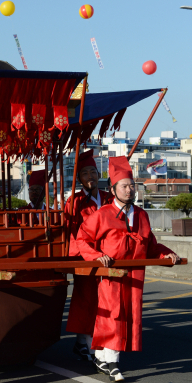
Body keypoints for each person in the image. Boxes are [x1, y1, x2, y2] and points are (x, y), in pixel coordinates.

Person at [76, 156, 180, 382]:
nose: (130, 190)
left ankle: (102, 357)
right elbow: (81, 239)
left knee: (129, 316)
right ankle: (113, 362)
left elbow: (151, 245)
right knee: (113, 314)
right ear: (113, 190)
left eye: (132, 186)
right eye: (125, 186)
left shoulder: (141, 215)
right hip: (111, 274)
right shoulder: (102, 214)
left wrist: (166, 254)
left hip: (135, 275)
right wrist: (96, 256)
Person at [64, 150, 114, 361]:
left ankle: (94, 342)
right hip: (85, 256)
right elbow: (70, 232)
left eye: (93, 171)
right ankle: (87, 342)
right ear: (79, 179)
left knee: (106, 300)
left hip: (109, 256)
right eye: (84, 173)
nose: (90, 176)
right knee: (86, 299)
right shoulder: (74, 202)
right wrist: (87, 253)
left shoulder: (111, 199)